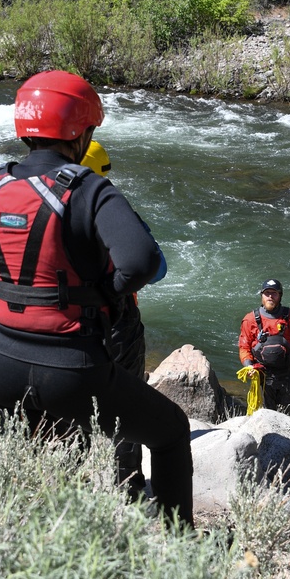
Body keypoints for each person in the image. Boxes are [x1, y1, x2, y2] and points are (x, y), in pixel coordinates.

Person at [0, 70, 193, 527]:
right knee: (172, 431)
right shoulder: (89, 188)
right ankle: (183, 552)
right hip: (72, 367)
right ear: (80, 131)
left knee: (43, 451)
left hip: (1, 363)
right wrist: (105, 293)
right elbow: (139, 262)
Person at [82, 138, 168, 500]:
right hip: (116, 322)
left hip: (58, 319)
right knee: (125, 401)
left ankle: (68, 474)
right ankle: (127, 484)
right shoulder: (116, 212)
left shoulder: (38, 206)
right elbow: (157, 269)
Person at [238, 279, 290, 416]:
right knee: (264, 416)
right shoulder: (250, 319)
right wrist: (248, 365)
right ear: (262, 295)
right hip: (262, 377)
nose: (270, 296)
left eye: (274, 293)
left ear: (280, 295)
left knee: (287, 417)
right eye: (267, 293)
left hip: (287, 377)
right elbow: (244, 347)